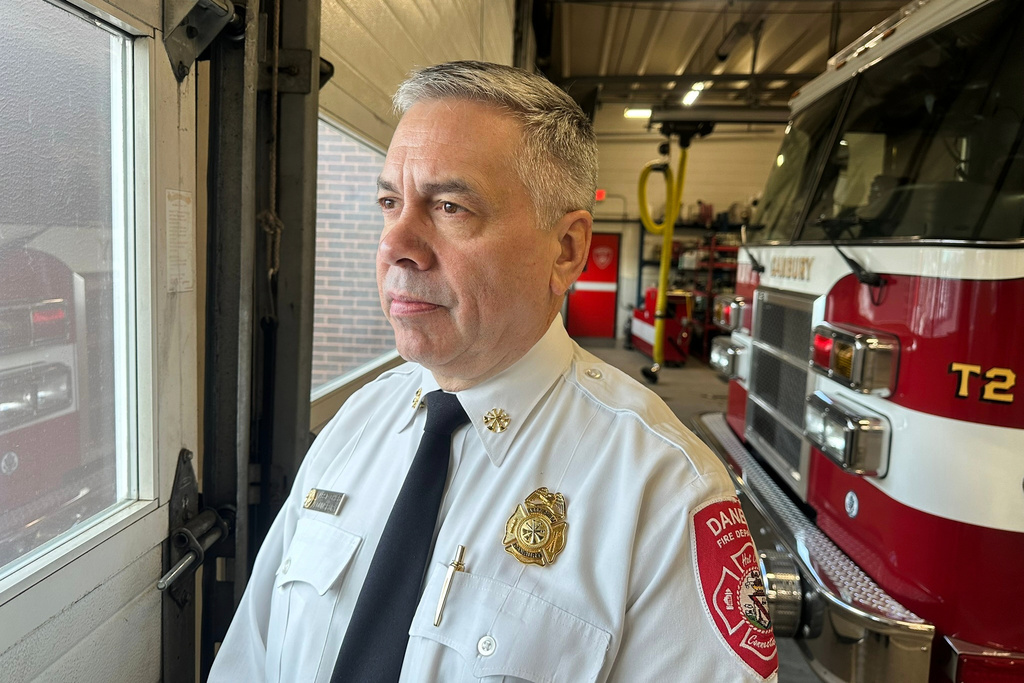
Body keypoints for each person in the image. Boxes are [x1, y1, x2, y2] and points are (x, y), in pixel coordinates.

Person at [209, 60, 778, 683]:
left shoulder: (664, 491)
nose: (396, 243)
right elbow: (250, 658)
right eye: (389, 202)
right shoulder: (354, 428)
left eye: (450, 207)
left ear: (566, 250)